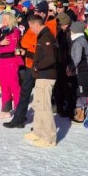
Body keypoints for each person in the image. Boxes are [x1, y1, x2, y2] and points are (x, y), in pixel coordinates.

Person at [23, 15, 58, 148]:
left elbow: (50, 59)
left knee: (44, 106)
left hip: (46, 76)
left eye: (31, 27)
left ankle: (49, 137)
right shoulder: (42, 36)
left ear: (36, 25)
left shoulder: (46, 37)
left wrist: (37, 66)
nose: (31, 30)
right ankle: (38, 132)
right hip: (41, 76)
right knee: (38, 104)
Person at [0, 11, 23, 118]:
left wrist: (2, 43)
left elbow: (13, 45)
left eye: (6, 19)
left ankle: (19, 110)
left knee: (14, 86)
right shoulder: (1, 30)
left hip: (11, 60)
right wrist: (0, 42)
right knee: (4, 86)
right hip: (1, 60)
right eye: (2, 19)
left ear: (11, 20)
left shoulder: (15, 31)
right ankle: (5, 110)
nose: (3, 21)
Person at [69, 20, 88, 123]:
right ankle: (79, 112)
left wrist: (70, 67)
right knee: (79, 92)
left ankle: (82, 114)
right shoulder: (80, 40)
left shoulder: (79, 41)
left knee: (82, 92)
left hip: (84, 69)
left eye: (71, 31)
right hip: (81, 69)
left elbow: (77, 58)